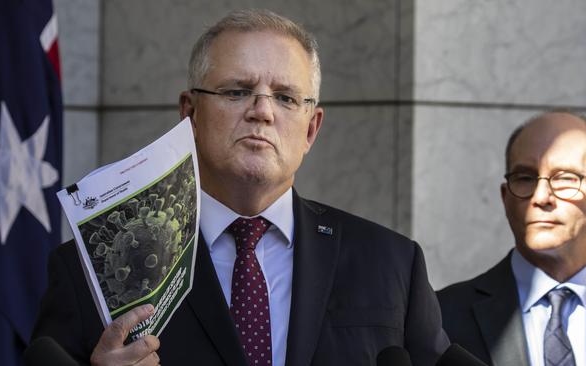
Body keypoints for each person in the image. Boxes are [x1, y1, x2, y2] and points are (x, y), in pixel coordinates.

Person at [31, 9, 449, 366]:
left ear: (311, 129)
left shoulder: (392, 263)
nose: (262, 111)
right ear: (189, 115)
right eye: (237, 91)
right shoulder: (90, 270)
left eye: (286, 98)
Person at [437, 111, 586, 366]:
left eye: (564, 178)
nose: (540, 196)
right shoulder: (441, 317)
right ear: (505, 198)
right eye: (525, 178)